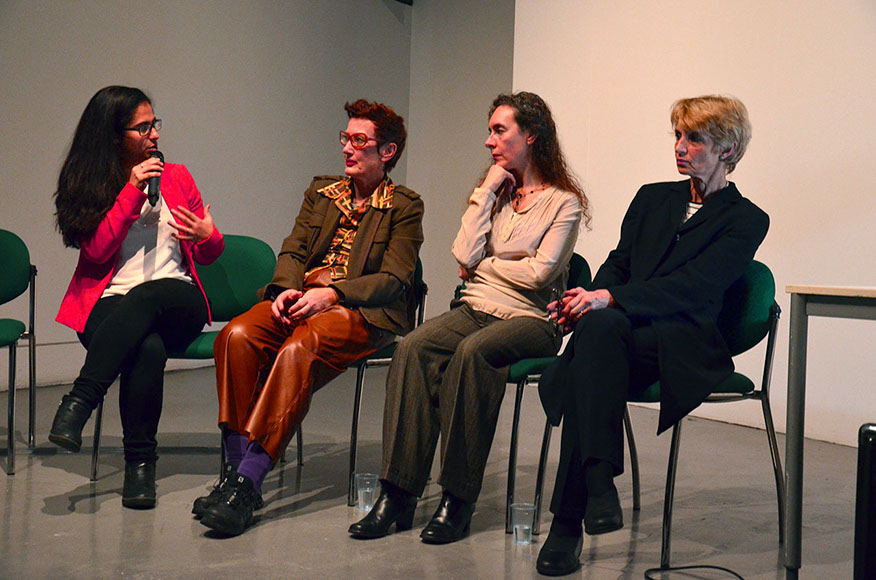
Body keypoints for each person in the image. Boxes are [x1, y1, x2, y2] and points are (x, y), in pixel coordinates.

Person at [534, 95, 769, 576]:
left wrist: (610, 301)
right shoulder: (652, 197)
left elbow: (696, 288)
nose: (679, 147)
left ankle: (571, 519)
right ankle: (596, 485)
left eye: (694, 138)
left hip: (680, 344)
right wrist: (588, 297)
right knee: (597, 333)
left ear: (727, 149)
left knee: (589, 350)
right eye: (677, 136)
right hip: (617, 337)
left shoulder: (746, 220)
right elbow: (619, 264)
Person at [349, 92, 588, 544]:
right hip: (476, 307)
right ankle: (397, 492)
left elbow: (540, 274)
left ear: (531, 135)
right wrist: (485, 192)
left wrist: (483, 265)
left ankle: (457, 497)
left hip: (532, 319)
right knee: (415, 346)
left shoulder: (564, 203)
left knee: (473, 354)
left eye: (500, 131)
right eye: (490, 129)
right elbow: (461, 252)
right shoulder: (495, 193)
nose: (488, 141)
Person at [194, 99, 424, 537]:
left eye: (360, 141)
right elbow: (294, 249)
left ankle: (248, 483)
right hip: (303, 296)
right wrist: (284, 291)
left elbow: (395, 278)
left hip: (360, 310)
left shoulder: (404, 206)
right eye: (346, 138)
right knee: (237, 335)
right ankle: (232, 470)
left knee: (300, 349)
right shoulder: (322, 192)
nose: (347, 149)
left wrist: (332, 294)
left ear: (387, 152)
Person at [49, 86, 224, 509]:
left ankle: (82, 399)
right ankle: (140, 469)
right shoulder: (91, 183)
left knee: (153, 295)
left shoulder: (178, 177)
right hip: (110, 302)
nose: (154, 136)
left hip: (180, 299)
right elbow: (95, 252)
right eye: (142, 128)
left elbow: (208, 250)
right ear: (114, 137)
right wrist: (131, 191)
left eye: (154, 125)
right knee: (146, 348)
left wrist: (209, 236)